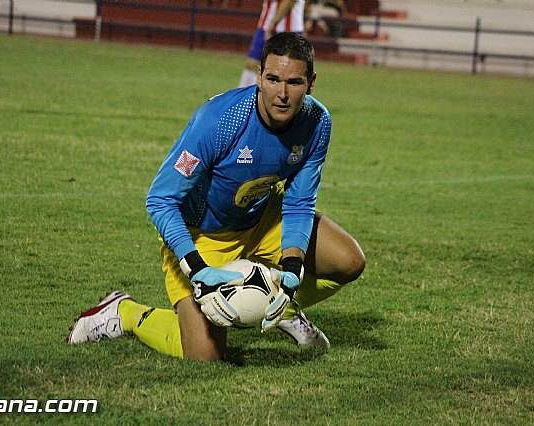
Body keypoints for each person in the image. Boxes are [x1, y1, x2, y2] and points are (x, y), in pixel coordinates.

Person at [68, 32, 365, 362]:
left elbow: (299, 201)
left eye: (294, 82)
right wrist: (196, 267)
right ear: (258, 78)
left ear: (311, 82)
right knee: (205, 357)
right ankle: (125, 312)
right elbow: (161, 199)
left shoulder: (317, 122)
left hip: (264, 219)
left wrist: (292, 270)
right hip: (203, 236)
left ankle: (278, 303)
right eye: (272, 79)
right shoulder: (219, 121)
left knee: (349, 261)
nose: (282, 94)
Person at [238, 0, 305, 87]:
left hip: (288, 29)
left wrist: (273, 24)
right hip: (264, 25)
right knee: (252, 64)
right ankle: (245, 97)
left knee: (284, 71)